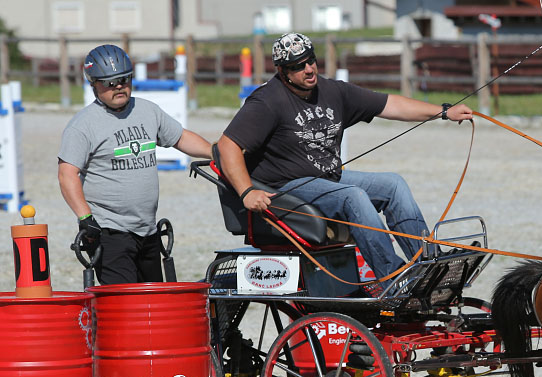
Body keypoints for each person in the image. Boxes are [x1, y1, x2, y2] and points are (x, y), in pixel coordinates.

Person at [217, 32, 473, 283]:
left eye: (311, 60)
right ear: (283, 72)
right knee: (354, 196)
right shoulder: (267, 101)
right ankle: (394, 278)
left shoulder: (331, 91)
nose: (308, 69)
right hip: (287, 187)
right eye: (298, 66)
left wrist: (443, 112)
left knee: (393, 184)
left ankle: (428, 265)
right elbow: (227, 146)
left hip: (328, 178)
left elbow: (390, 104)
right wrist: (246, 191)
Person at [58, 44, 213, 285]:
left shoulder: (147, 111)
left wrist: (217, 153)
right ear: (94, 84)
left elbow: (180, 137)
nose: (118, 86)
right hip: (110, 233)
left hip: (147, 230)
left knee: (152, 308)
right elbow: (67, 173)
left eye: (124, 79)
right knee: (124, 310)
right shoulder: (83, 125)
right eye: (109, 82)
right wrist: (85, 218)